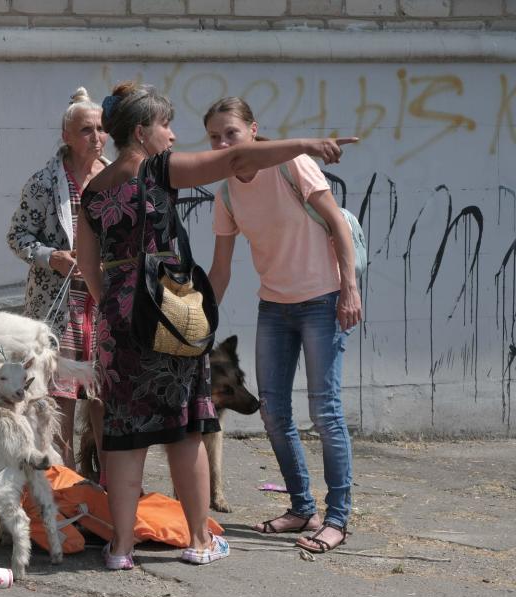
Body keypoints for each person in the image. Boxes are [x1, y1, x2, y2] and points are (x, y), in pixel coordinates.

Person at [76, 81, 356, 569]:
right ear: (141, 132)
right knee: (186, 428)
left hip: (117, 319)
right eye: (165, 125)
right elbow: (234, 162)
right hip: (168, 313)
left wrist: (116, 308)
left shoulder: (93, 190)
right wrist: (308, 143)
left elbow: (86, 262)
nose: (172, 134)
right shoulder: (158, 168)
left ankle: (120, 549)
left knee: (122, 435)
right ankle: (200, 541)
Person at [204, 96, 361, 554]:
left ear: (253, 130)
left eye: (230, 133)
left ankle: (336, 519)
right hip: (274, 306)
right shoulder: (227, 192)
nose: (222, 143)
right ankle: (301, 509)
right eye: (214, 136)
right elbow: (220, 268)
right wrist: (199, 323)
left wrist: (349, 288)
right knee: (272, 412)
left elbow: (337, 224)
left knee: (325, 412)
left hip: (322, 300)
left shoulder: (292, 165)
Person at [7, 87, 109, 475]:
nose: (96, 137)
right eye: (86, 130)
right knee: (59, 395)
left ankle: (108, 482)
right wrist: (52, 258)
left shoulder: (117, 179)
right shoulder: (43, 183)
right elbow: (17, 237)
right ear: (66, 135)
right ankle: (63, 479)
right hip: (60, 303)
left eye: (101, 129)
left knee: (104, 395)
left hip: (103, 303)